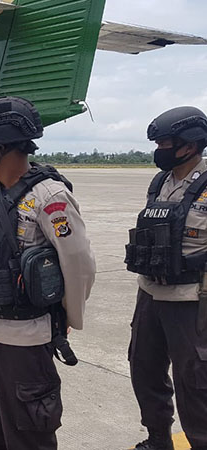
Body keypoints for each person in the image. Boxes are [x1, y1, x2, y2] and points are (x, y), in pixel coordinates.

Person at [0, 96, 96, 450]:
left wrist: (66, 321)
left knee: (28, 434)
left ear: (1, 146)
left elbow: (79, 265)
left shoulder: (49, 196)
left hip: (24, 338)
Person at [124, 106, 207, 450]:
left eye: (165, 142)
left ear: (189, 144)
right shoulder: (160, 181)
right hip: (151, 293)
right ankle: (158, 437)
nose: (160, 149)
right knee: (143, 367)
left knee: (195, 380)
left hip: (191, 299)